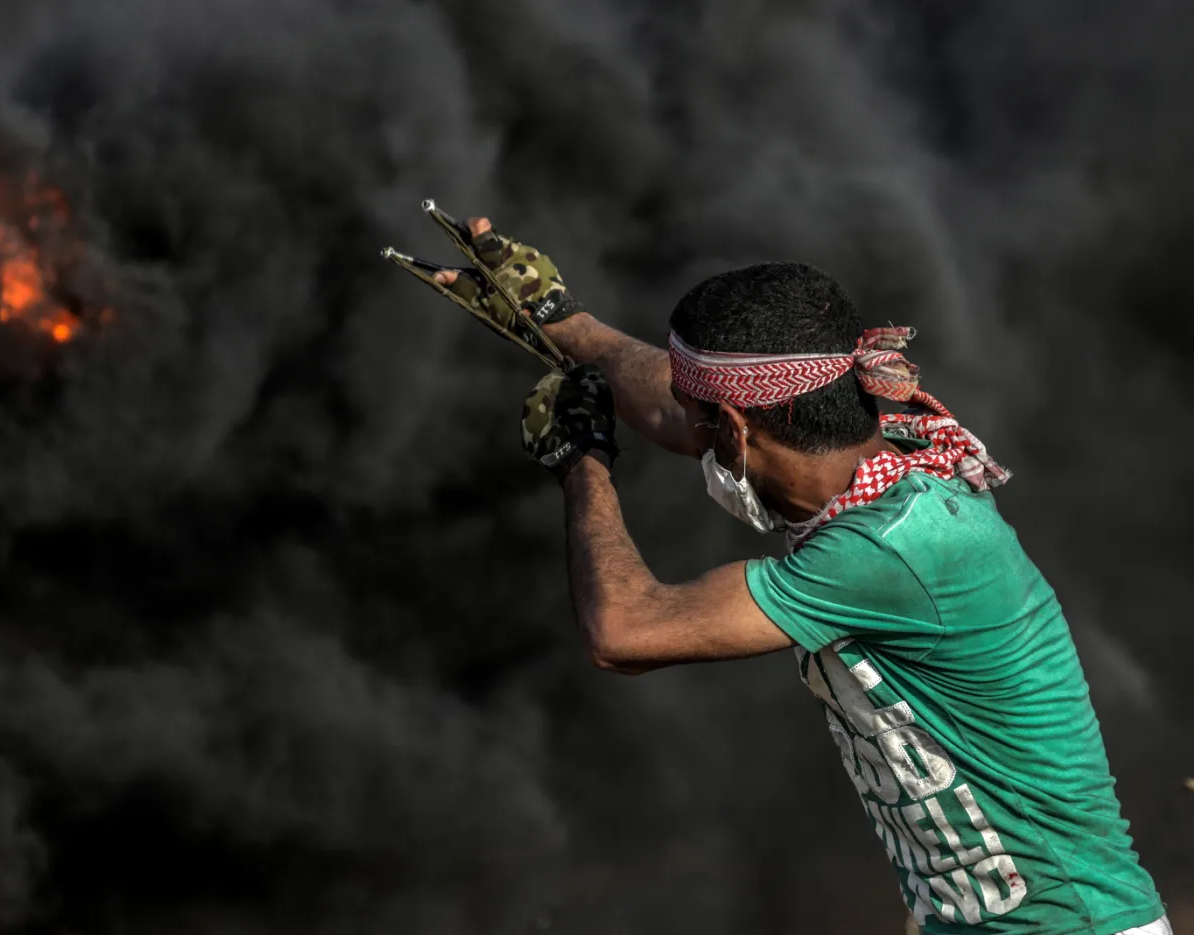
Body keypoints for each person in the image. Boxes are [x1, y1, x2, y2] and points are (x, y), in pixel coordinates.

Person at [426, 216, 1170, 934]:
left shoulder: (889, 548)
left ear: (739, 428)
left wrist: (580, 459)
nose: (684, 427)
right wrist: (559, 320)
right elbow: (674, 398)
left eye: (701, 418)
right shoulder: (875, 445)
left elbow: (623, 630)